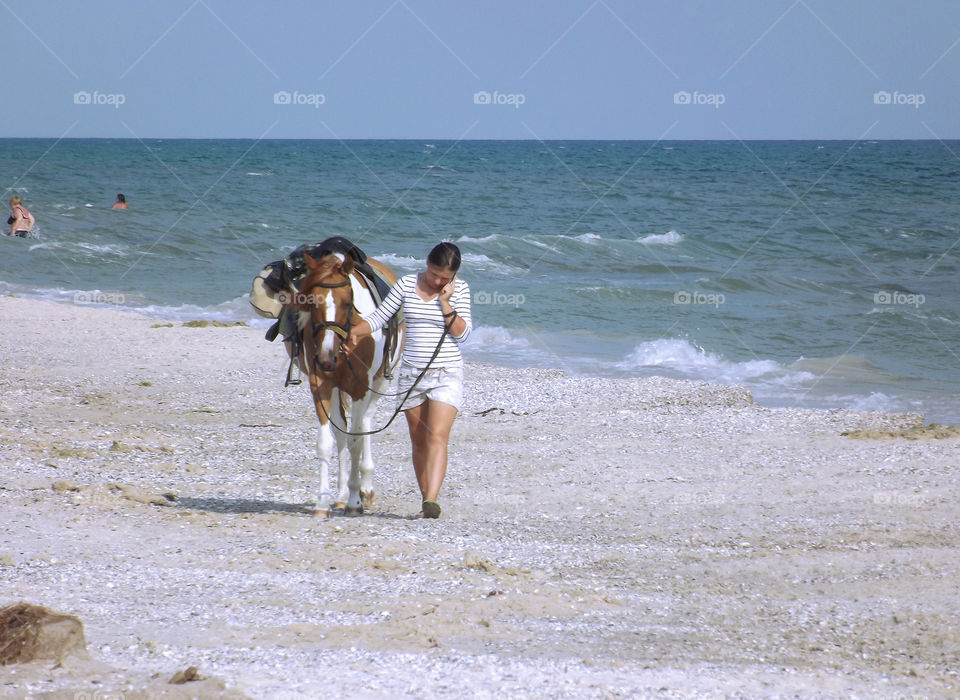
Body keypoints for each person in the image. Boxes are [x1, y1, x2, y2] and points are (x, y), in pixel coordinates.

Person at [346, 242, 472, 519]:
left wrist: (445, 302)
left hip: (446, 372)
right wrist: (353, 333)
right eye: (434, 273)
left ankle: (432, 499)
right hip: (412, 374)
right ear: (426, 264)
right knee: (418, 440)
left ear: (453, 276)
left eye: (444, 277)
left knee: (436, 436)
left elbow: (463, 334)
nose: (438, 280)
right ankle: (426, 501)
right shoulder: (405, 284)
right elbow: (379, 317)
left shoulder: (459, 290)